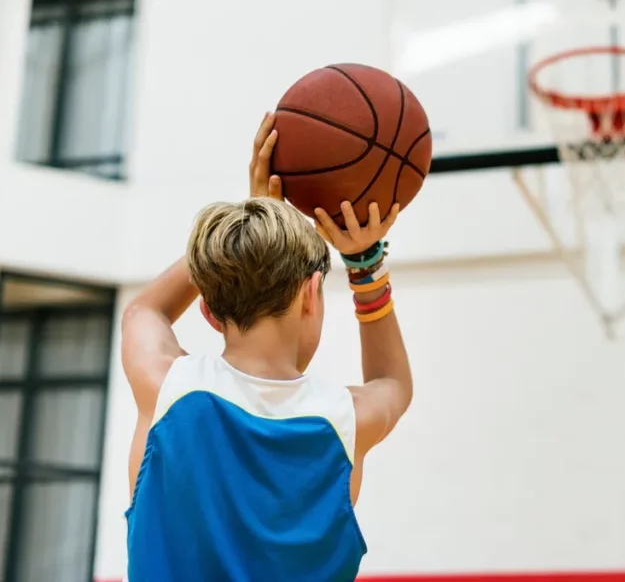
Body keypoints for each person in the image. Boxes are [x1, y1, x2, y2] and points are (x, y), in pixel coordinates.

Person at [121, 112, 412, 581]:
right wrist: (365, 263)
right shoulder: (346, 420)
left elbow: (143, 312)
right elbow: (392, 382)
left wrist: (241, 232)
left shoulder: (167, 388)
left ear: (210, 312)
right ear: (311, 295)